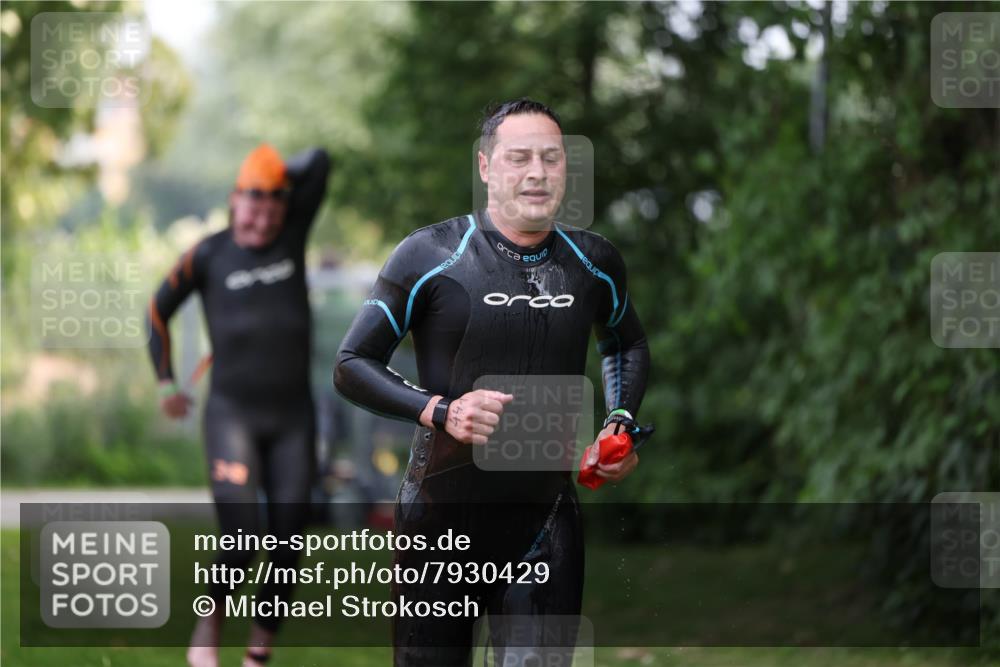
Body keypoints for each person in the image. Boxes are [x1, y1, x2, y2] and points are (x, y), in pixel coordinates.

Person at [334, 98, 650, 666]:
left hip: (544, 524)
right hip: (438, 523)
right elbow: (352, 363)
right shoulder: (430, 255)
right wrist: (441, 410)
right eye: (519, 157)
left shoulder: (594, 262)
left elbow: (626, 342)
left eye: (551, 159)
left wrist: (619, 424)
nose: (537, 172)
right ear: (485, 167)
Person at [146, 143, 330, 667]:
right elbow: (156, 314)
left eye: (274, 203)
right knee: (243, 536)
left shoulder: (292, 237)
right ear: (233, 201)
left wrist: (275, 171)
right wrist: (166, 383)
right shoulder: (209, 255)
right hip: (233, 416)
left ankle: (256, 656)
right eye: (252, 201)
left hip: (293, 418)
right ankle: (209, 624)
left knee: (290, 543)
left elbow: (318, 160)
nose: (262, 214)